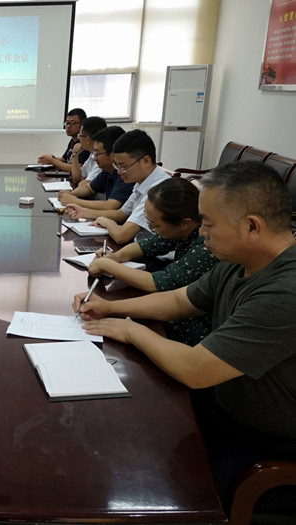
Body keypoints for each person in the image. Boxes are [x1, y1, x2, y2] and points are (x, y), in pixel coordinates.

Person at [73, 161, 296, 505]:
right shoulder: (240, 261)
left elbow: (196, 369)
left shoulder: (284, 292)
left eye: (208, 223)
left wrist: (131, 331)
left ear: (252, 226)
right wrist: (110, 307)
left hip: (269, 444)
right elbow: (180, 300)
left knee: (155, 480)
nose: (201, 233)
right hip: (228, 404)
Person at [87, 177, 218, 345]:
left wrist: (108, 265)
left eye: (155, 225)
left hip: (199, 329)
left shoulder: (205, 246)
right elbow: (148, 245)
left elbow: (157, 284)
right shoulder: (182, 229)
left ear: (185, 223)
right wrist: (115, 257)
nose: (152, 229)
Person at [65, 129, 170, 244]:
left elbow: (121, 236)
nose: (119, 172)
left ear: (146, 161)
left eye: (123, 166)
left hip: (153, 253)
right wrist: (83, 212)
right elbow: (121, 214)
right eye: (117, 166)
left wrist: (106, 222)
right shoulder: (142, 181)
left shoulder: (159, 189)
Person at [58, 126, 134, 211]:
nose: (94, 158)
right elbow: (89, 188)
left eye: (97, 154)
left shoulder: (125, 174)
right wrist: (71, 194)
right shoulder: (107, 171)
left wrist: (75, 201)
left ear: (113, 154)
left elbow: (111, 206)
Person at [68, 116, 107, 187]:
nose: (79, 139)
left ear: (87, 139)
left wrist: (83, 180)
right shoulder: (92, 154)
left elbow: (83, 185)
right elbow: (76, 179)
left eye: (80, 136)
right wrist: (75, 155)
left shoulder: (101, 159)